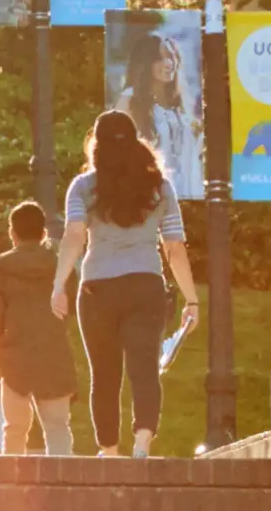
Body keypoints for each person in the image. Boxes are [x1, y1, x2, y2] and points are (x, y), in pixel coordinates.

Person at [54, 109, 199, 460]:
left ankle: (110, 450)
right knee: (145, 366)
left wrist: (59, 283)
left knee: (104, 374)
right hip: (145, 286)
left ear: (96, 145)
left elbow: (74, 235)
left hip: (97, 289)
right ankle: (143, 443)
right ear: (135, 142)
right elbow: (174, 248)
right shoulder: (160, 187)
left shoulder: (84, 186)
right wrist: (192, 300)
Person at [0, 199, 77, 454]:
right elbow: (72, 306)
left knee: (14, 429)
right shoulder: (60, 265)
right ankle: (63, 485)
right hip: (54, 353)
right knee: (58, 428)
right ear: (44, 232)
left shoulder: (0, 267)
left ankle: (11, 487)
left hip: (14, 356)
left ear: (12, 233)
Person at [119, 31, 203, 202]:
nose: (168, 63)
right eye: (159, 58)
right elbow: (116, 149)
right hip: (147, 198)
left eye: (171, 57)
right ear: (145, 63)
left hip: (186, 194)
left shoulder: (180, 103)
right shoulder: (130, 99)